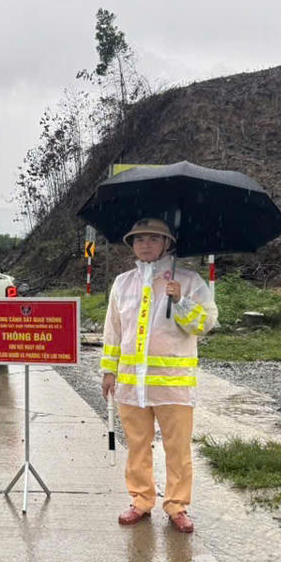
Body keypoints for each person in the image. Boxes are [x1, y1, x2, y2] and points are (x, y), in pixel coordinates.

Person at [101, 218, 218, 533]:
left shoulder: (189, 281)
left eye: (154, 238)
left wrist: (180, 300)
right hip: (130, 384)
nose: (145, 244)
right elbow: (113, 331)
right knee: (137, 445)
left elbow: (205, 324)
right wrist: (108, 371)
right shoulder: (123, 283)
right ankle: (140, 501)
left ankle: (177, 506)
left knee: (177, 448)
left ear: (168, 244)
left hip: (173, 385)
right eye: (139, 239)